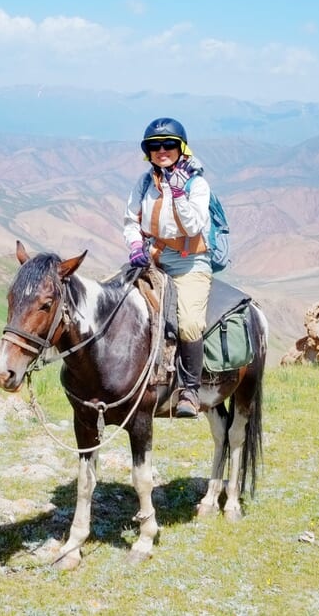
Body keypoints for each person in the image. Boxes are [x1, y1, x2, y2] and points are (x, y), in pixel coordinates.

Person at [122, 117, 212, 418]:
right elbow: (131, 220)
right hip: (152, 258)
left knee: (188, 322)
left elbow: (193, 224)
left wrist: (177, 194)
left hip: (190, 262)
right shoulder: (146, 182)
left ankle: (190, 390)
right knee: (114, 301)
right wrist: (135, 246)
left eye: (169, 144)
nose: (162, 150)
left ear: (181, 148)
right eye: (155, 146)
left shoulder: (197, 184)